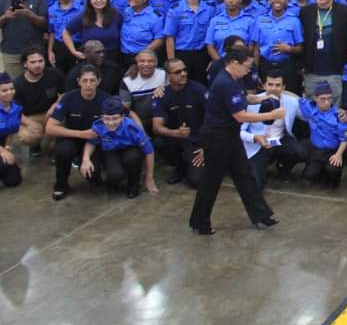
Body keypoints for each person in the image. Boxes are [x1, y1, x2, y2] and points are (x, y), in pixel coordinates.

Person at [188, 49, 284, 235]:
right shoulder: (224, 83)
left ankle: (261, 215)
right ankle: (200, 221)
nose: (249, 71)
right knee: (211, 181)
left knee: (244, 175)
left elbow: (244, 99)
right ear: (234, 63)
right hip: (217, 137)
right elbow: (240, 116)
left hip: (230, 135)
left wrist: (264, 96)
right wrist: (272, 114)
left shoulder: (235, 79)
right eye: (247, 67)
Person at [45, 63, 107, 200]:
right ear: (78, 81)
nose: (88, 84)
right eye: (85, 80)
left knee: (94, 174)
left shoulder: (106, 99)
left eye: (92, 80)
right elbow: (49, 128)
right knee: (62, 151)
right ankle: (61, 184)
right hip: (71, 137)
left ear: (99, 81)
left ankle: (92, 173)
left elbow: (125, 116)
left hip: (94, 142)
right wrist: (81, 134)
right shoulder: (68, 98)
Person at [81, 96, 159, 198]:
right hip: (110, 151)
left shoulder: (132, 128)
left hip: (130, 149)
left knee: (133, 159)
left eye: (115, 118)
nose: (111, 123)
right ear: (101, 117)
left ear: (122, 117)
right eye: (107, 119)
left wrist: (149, 178)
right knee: (115, 175)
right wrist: (85, 159)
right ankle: (111, 181)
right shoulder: (98, 126)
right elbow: (91, 142)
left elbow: (149, 151)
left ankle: (133, 184)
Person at [151, 57, 209, 187]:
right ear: (168, 75)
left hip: (198, 139)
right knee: (159, 142)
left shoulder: (199, 90)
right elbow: (156, 127)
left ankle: (195, 163)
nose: (183, 74)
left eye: (184, 70)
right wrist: (175, 133)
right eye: (177, 72)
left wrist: (206, 147)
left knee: (196, 182)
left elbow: (214, 120)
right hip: (176, 138)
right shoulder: (162, 95)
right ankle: (180, 165)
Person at [299, 0, 347, 103]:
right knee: (312, 110)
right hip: (311, 72)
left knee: (334, 110)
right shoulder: (306, 12)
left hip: (335, 71)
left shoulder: (345, 11)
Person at [297, 82, 347, 187]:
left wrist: (338, 155)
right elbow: (296, 98)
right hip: (316, 150)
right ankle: (319, 171)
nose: (327, 102)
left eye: (330, 98)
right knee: (308, 177)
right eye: (322, 99)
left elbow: (345, 138)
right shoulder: (309, 108)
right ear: (315, 98)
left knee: (332, 172)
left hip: (332, 151)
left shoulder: (339, 115)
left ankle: (333, 177)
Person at [13, 45, 63, 155]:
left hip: (53, 112)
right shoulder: (17, 84)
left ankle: (54, 148)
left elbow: (64, 95)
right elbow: (14, 111)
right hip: (31, 116)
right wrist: (30, 123)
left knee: (63, 124)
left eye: (40, 61)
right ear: (25, 64)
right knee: (28, 136)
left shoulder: (54, 74)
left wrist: (54, 108)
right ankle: (35, 145)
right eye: (33, 62)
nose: (37, 65)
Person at [0, 0, 49, 78]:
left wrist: (28, 14)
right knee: (14, 87)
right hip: (11, 51)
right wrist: (5, 16)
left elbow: (45, 25)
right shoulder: (3, 1)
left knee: (36, 83)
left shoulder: (39, 0)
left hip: (34, 52)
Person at [0, 73, 25, 188]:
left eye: (11, 89)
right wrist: (3, 152)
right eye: (4, 90)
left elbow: (12, 131)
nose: (9, 92)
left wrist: (8, 149)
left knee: (14, 180)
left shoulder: (17, 107)